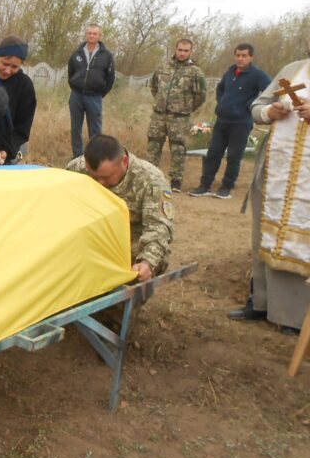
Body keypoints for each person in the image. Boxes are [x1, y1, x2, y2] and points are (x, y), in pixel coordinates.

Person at [229, 60, 310, 333]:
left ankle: (291, 316)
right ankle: (260, 302)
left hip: (305, 182)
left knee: (298, 242)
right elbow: (257, 106)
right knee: (262, 235)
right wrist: (269, 111)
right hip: (275, 170)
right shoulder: (291, 70)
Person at [66, 134, 174, 282]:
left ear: (124, 161)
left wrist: (147, 262)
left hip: (129, 246)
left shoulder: (151, 180)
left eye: (106, 177)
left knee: (119, 295)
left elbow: (158, 228)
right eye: (94, 177)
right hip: (92, 239)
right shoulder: (76, 169)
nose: (101, 183)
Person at [189, 43, 271, 199]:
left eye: (244, 56)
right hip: (222, 121)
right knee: (213, 153)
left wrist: (251, 105)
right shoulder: (230, 72)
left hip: (241, 122)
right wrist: (221, 102)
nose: (240, 59)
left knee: (234, 156)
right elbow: (220, 89)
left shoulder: (257, 75)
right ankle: (205, 185)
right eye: (238, 55)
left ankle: (226, 188)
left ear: (251, 57)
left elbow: (269, 90)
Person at [146, 39, 207, 192]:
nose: (182, 53)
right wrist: (161, 102)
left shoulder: (195, 72)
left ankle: (176, 181)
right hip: (159, 116)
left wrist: (185, 107)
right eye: (180, 50)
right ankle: (151, 176)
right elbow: (154, 87)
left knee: (178, 149)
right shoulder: (163, 66)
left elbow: (201, 96)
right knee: (153, 146)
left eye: (186, 51)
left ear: (190, 52)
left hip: (180, 117)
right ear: (175, 49)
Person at [68, 24, 115, 157]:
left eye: (94, 33)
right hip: (76, 95)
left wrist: (100, 92)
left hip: (94, 97)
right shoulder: (77, 53)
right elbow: (70, 72)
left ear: (100, 36)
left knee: (95, 130)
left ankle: (94, 158)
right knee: (76, 128)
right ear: (86, 35)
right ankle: (77, 157)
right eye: (89, 33)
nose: (91, 36)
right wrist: (75, 85)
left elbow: (110, 78)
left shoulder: (106, 55)